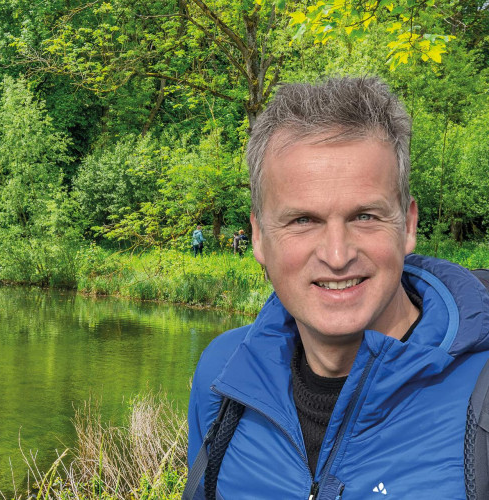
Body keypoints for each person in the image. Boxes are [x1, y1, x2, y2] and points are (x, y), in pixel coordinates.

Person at [184, 77, 489, 499]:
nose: (337, 253)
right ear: (258, 237)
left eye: (365, 216)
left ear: (408, 225)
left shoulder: (482, 393)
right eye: (303, 220)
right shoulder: (223, 376)